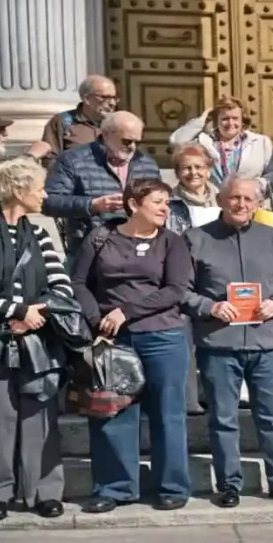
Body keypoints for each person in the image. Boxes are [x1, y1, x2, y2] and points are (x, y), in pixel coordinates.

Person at [71, 179, 194, 514]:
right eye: (158, 202)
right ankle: (115, 488)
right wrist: (98, 320)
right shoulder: (100, 238)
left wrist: (125, 312)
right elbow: (79, 283)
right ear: (133, 204)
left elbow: (175, 290)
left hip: (163, 338)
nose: (165, 208)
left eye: (167, 202)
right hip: (113, 340)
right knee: (112, 413)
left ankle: (171, 486)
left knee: (167, 415)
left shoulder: (172, 242)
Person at [184, 176, 273, 508]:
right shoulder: (196, 238)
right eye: (234, 198)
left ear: (258, 204)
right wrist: (210, 306)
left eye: (248, 199)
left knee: (272, 417)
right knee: (223, 418)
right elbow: (181, 290)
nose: (241, 204)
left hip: (265, 342)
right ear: (221, 200)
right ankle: (229, 484)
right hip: (218, 343)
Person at [0, 157, 71, 521]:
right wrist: (16, 311)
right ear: (17, 190)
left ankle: (45, 492)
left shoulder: (41, 235)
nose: (45, 195)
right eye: (39, 188)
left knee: (40, 417)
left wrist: (32, 317)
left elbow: (62, 288)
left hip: (37, 340)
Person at [44, 111, 161, 256]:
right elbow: (49, 202)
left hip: (139, 249)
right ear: (106, 134)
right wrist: (92, 205)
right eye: (126, 141)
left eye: (137, 142)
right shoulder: (73, 160)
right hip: (90, 250)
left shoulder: (147, 164)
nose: (132, 147)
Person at [165, 142, 218, 415]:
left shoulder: (223, 199)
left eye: (199, 167)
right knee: (184, 342)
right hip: (183, 277)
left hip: (217, 278)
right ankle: (189, 400)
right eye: (186, 168)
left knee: (218, 341)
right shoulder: (168, 202)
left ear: (209, 170)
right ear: (177, 173)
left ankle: (218, 396)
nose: (193, 173)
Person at [168, 95, 273, 209]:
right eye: (225, 119)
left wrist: (255, 186)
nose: (230, 123)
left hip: (249, 205)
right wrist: (201, 120)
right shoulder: (204, 141)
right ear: (216, 121)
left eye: (235, 118)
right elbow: (176, 141)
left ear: (242, 120)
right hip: (214, 205)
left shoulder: (261, 142)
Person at [29, 75, 118, 165]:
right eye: (104, 97)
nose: (112, 103)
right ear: (86, 99)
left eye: (114, 98)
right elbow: (50, 160)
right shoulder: (62, 121)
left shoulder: (119, 123)